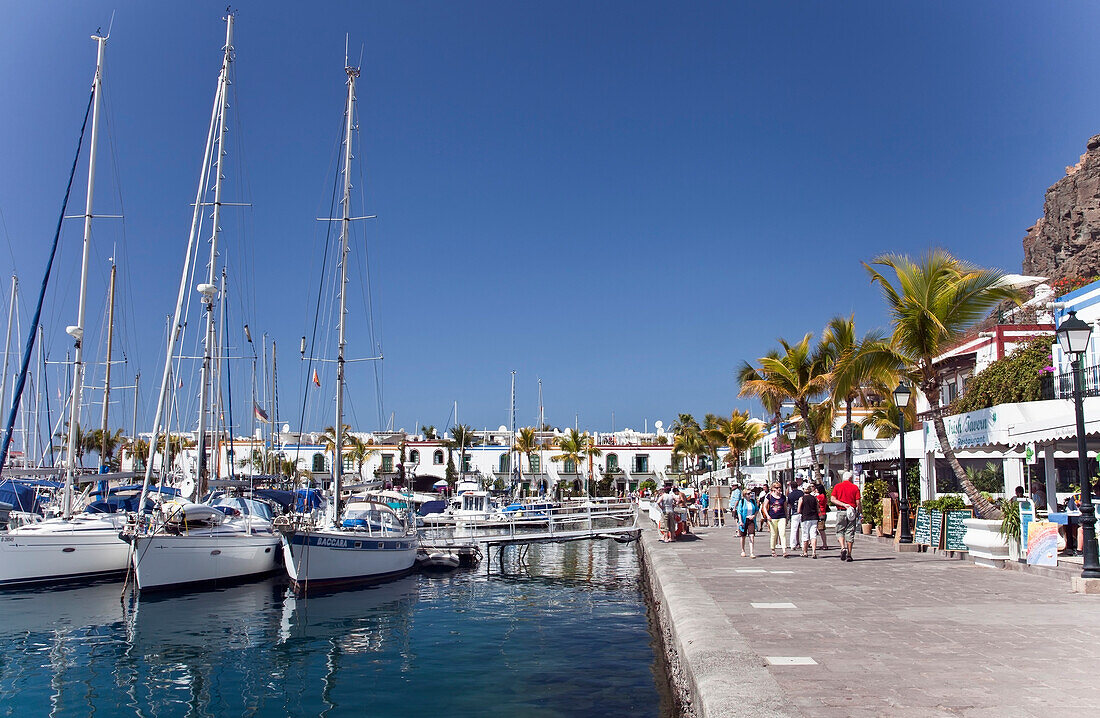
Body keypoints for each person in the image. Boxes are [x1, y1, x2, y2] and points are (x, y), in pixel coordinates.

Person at [831, 470, 861, 562]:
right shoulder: (855, 487)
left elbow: (832, 499)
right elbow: (858, 502)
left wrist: (843, 504)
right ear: (851, 478)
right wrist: (859, 512)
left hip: (841, 511)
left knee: (840, 531)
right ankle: (849, 554)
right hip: (851, 512)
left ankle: (843, 547)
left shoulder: (837, 486)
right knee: (850, 532)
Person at [763, 482, 789, 558]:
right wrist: (767, 516)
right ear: (773, 488)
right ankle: (773, 550)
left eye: (780, 487)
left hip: (781, 517)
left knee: (782, 533)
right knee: (774, 534)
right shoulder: (769, 496)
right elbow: (764, 506)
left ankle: (784, 550)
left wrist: (786, 517)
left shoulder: (783, 497)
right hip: (772, 517)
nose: (779, 489)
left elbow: (785, 507)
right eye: (777, 488)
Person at [734, 488, 759, 558]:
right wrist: (740, 521)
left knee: (752, 536)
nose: (750, 495)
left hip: (751, 520)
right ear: (744, 495)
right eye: (748, 494)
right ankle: (743, 550)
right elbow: (739, 512)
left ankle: (752, 552)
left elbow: (757, 509)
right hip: (744, 520)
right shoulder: (741, 502)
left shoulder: (753, 502)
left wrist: (754, 515)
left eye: (750, 493)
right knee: (743, 536)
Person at [798, 484, 821, 558]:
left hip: (805, 518)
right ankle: (814, 552)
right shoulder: (814, 498)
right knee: (813, 535)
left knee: (805, 535)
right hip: (814, 518)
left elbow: (798, 510)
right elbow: (818, 509)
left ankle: (805, 552)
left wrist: (802, 511)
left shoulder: (802, 498)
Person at [786, 480, 805, 555]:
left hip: (794, 513)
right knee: (803, 529)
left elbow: (789, 505)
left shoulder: (790, 495)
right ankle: (804, 544)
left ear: (791, 487)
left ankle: (792, 545)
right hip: (802, 512)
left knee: (793, 530)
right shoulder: (801, 493)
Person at [815, 482, 830, 550]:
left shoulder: (820, 496)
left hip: (820, 514)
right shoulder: (824, 496)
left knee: (821, 530)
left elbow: (816, 501)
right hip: (822, 513)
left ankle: (825, 544)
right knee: (820, 530)